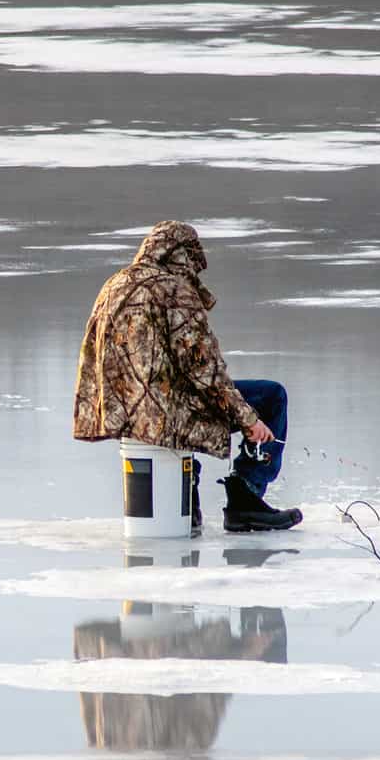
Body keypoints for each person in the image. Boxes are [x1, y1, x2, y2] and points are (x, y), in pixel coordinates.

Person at [73, 220, 302, 533]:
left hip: (125, 410)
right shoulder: (175, 290)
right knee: (271, 397)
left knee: (175, 399)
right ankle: (246, 497)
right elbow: (203, 368)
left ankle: (187, 502)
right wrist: (248, 419)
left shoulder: (114, 284)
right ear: (183, 256)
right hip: (166, 411)